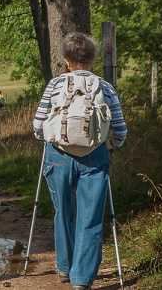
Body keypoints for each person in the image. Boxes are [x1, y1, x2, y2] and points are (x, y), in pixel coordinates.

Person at [32, 33, 127, 290]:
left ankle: (64, 266)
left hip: (58, 154)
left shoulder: (54, 85)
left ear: (66, 60)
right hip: (95, 156)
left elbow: (39, 125)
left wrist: (47, 138)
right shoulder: (105, 88)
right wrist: (111, 145)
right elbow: (120, 130)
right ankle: (82, 280)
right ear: (93, 59)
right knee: (91, 217)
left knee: (63, 211)